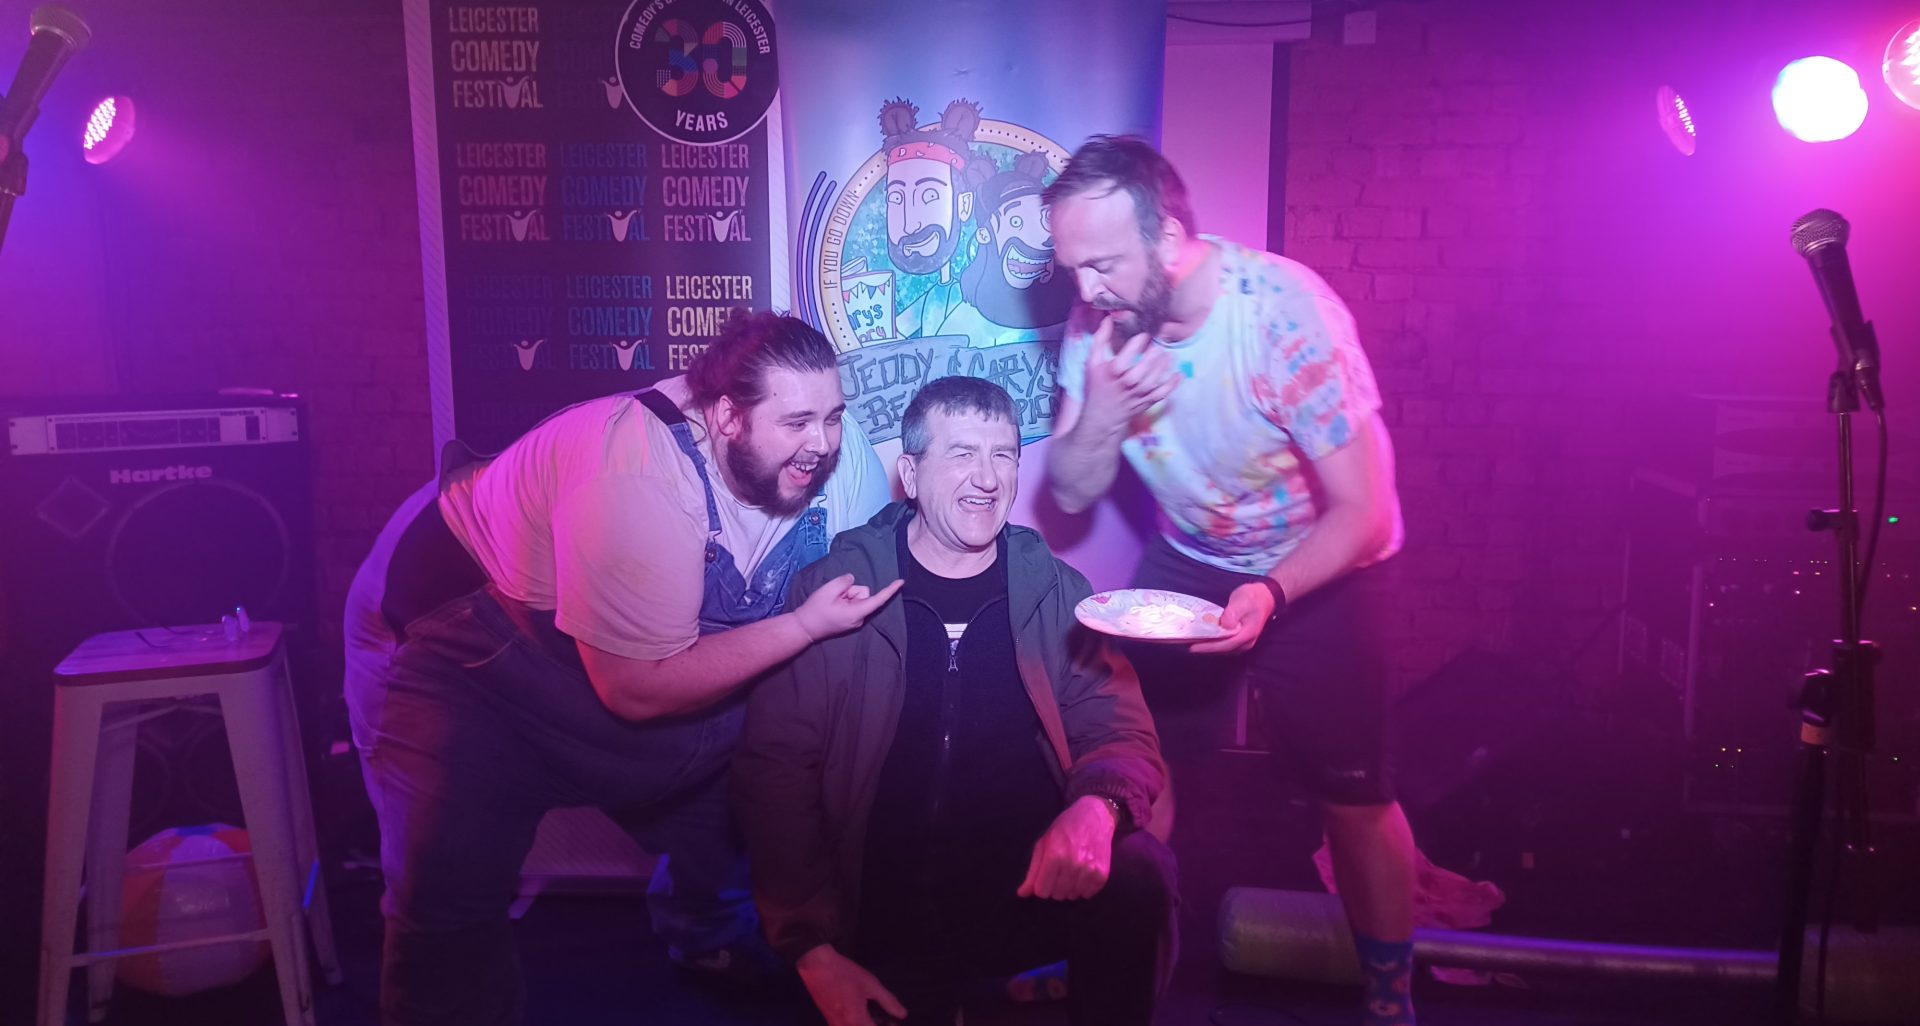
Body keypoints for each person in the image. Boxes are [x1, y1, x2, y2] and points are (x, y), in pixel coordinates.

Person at [342, 312, 897, 1026]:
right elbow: (637, 689)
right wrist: (798, 626)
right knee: (447, 898)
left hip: (628, 660)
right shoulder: (635, 467)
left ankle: (709, 937)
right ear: (727, 417)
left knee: (739, 761)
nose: (821, 444)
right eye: (796, 423)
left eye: (832, 417)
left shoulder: (843, 464)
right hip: (463, 647)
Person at [1044, 136, 1416, 1026]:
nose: (1086, 291)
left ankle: (1390, 998)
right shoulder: (1097, 326)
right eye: (1072, 269)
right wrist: (1100, 414)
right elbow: (1071, 492)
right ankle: (1131, 976)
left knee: (1352, 798)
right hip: (1192, 556)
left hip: (1323, 565)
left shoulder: (1282, 314)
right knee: (1141, 770)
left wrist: (1273, 593)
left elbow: (1365, 511)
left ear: (1169, 238)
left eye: (1103, 264)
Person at [733, 376, 1178, 1026]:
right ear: (911, 475)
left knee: (1139, 869)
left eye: (1003, 455)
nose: (988, 478)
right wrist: (810, 947)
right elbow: (776, 771)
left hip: (1024, 894)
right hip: (880, 908)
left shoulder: (1057, 594)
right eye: (963, 453)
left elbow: (1121, 730)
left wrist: (1098, 806)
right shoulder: (834, 592)